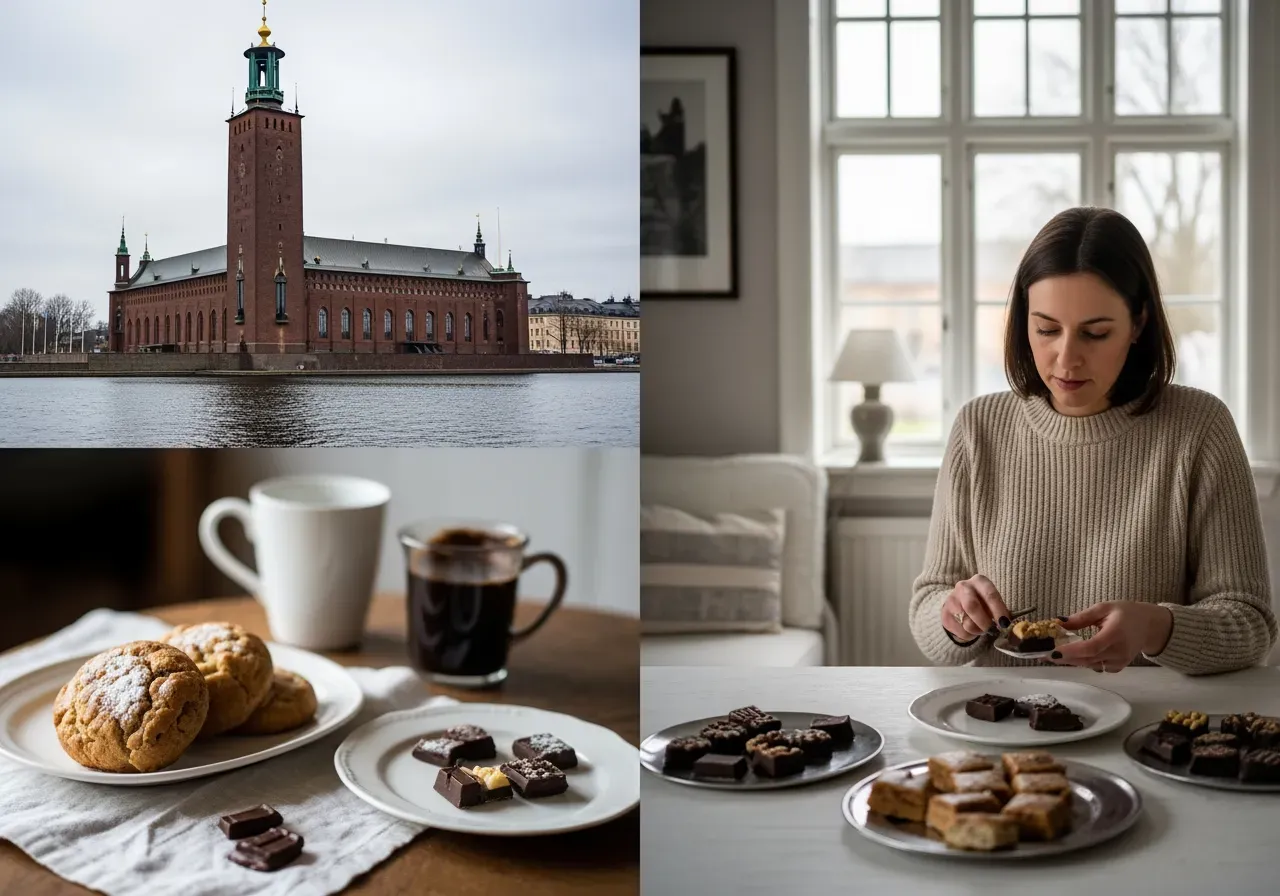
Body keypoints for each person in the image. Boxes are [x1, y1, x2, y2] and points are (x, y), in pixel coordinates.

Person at [909, 206, 1276, 675]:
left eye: (1095, 333)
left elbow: (1252, 626)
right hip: (1005, 729)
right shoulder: (979, 428)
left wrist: (1157, 628)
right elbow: (929, 607)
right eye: (1046, 329)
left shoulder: (1199, 428)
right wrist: (954, 618)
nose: (1066, 359)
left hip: (1144, 732)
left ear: (1138, 323)